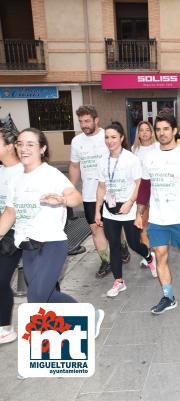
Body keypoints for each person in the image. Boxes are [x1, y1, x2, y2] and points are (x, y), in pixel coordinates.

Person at [0, 128, 104, 337]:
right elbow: (10, 212)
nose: (24, 148)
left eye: (30, 144)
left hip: (52, 244)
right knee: (45, 296)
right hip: (28, 246)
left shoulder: (50, 174)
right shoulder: (15, 178)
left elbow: (76, 196)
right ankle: (88, 315)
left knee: (36, 298)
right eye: (20, 143)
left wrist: (64, 201)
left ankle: (42, 345)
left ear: (42, 148)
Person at [135, 112, 180, 315]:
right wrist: (140, 213)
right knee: (160, 255)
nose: (161, 133)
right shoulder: (150, 158)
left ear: (175, 131)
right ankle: (168, 296)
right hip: (158, 218)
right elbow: (145, 189)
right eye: (158, 129)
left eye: (166, 129)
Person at [95, 122, 156, 296]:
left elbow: (139, 184)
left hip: (128, 209)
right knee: (113, 245)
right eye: (106, 137)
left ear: (121, 138)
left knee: (134, 244)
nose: (109, 141)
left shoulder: (131, 159)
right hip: (110, 210)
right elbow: (101, 187)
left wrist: (130, 202)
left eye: (113, 137)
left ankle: (149, 258)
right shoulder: (102, 161)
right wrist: (97, 210)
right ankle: (119, 281)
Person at [69, 105, 115, 278]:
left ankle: (123, 248)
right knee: (96, 229)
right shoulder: (77, 141)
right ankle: (106, 261)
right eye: (81, 121)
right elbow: (74, 166)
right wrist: (70, 189)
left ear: (96, 120)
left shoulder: (108, 137)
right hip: (89, 194)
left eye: (87, 121)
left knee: (114, 230)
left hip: (111, 192)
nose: (84, 124)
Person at [0, 128, 23, 344]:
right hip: (3, 230)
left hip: (17, 234)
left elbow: (13, 211)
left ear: (9, 146)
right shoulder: (2, 171)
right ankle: (4, 326)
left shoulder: (22, 172)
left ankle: (5, 327)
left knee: (41, 283)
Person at [131, 121, 159, 248]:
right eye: (141, 130)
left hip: (156, 188)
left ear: (152, 132)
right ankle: (148, 251)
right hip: (141, 189)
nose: (144, 133)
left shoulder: (158, 147)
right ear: (138, 133)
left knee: (155, 220)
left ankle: (157, 246)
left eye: (147, 130)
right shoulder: (134, 149)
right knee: (143, 221)